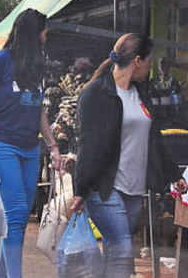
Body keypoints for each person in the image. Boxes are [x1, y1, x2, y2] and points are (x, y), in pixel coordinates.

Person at [70, 33, 188, 278]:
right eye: (148, 61)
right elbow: (88, 145)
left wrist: (173, 174)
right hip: (104, 188)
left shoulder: (141, 92)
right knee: (123, 249)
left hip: (134, 190)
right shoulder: (96, 93)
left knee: (115, 251)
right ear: (137, 60)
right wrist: (81, 190)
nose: (149, 67)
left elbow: (153, 138)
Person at [0, 8, 61, 278]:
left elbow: (39, 110)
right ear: (33, 34)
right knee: (19, 214)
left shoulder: (35, 67)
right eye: (43, 31)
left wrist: (53, 146)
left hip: (30, 149)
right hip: (2, 146)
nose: (46, 37)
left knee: (18, 217)